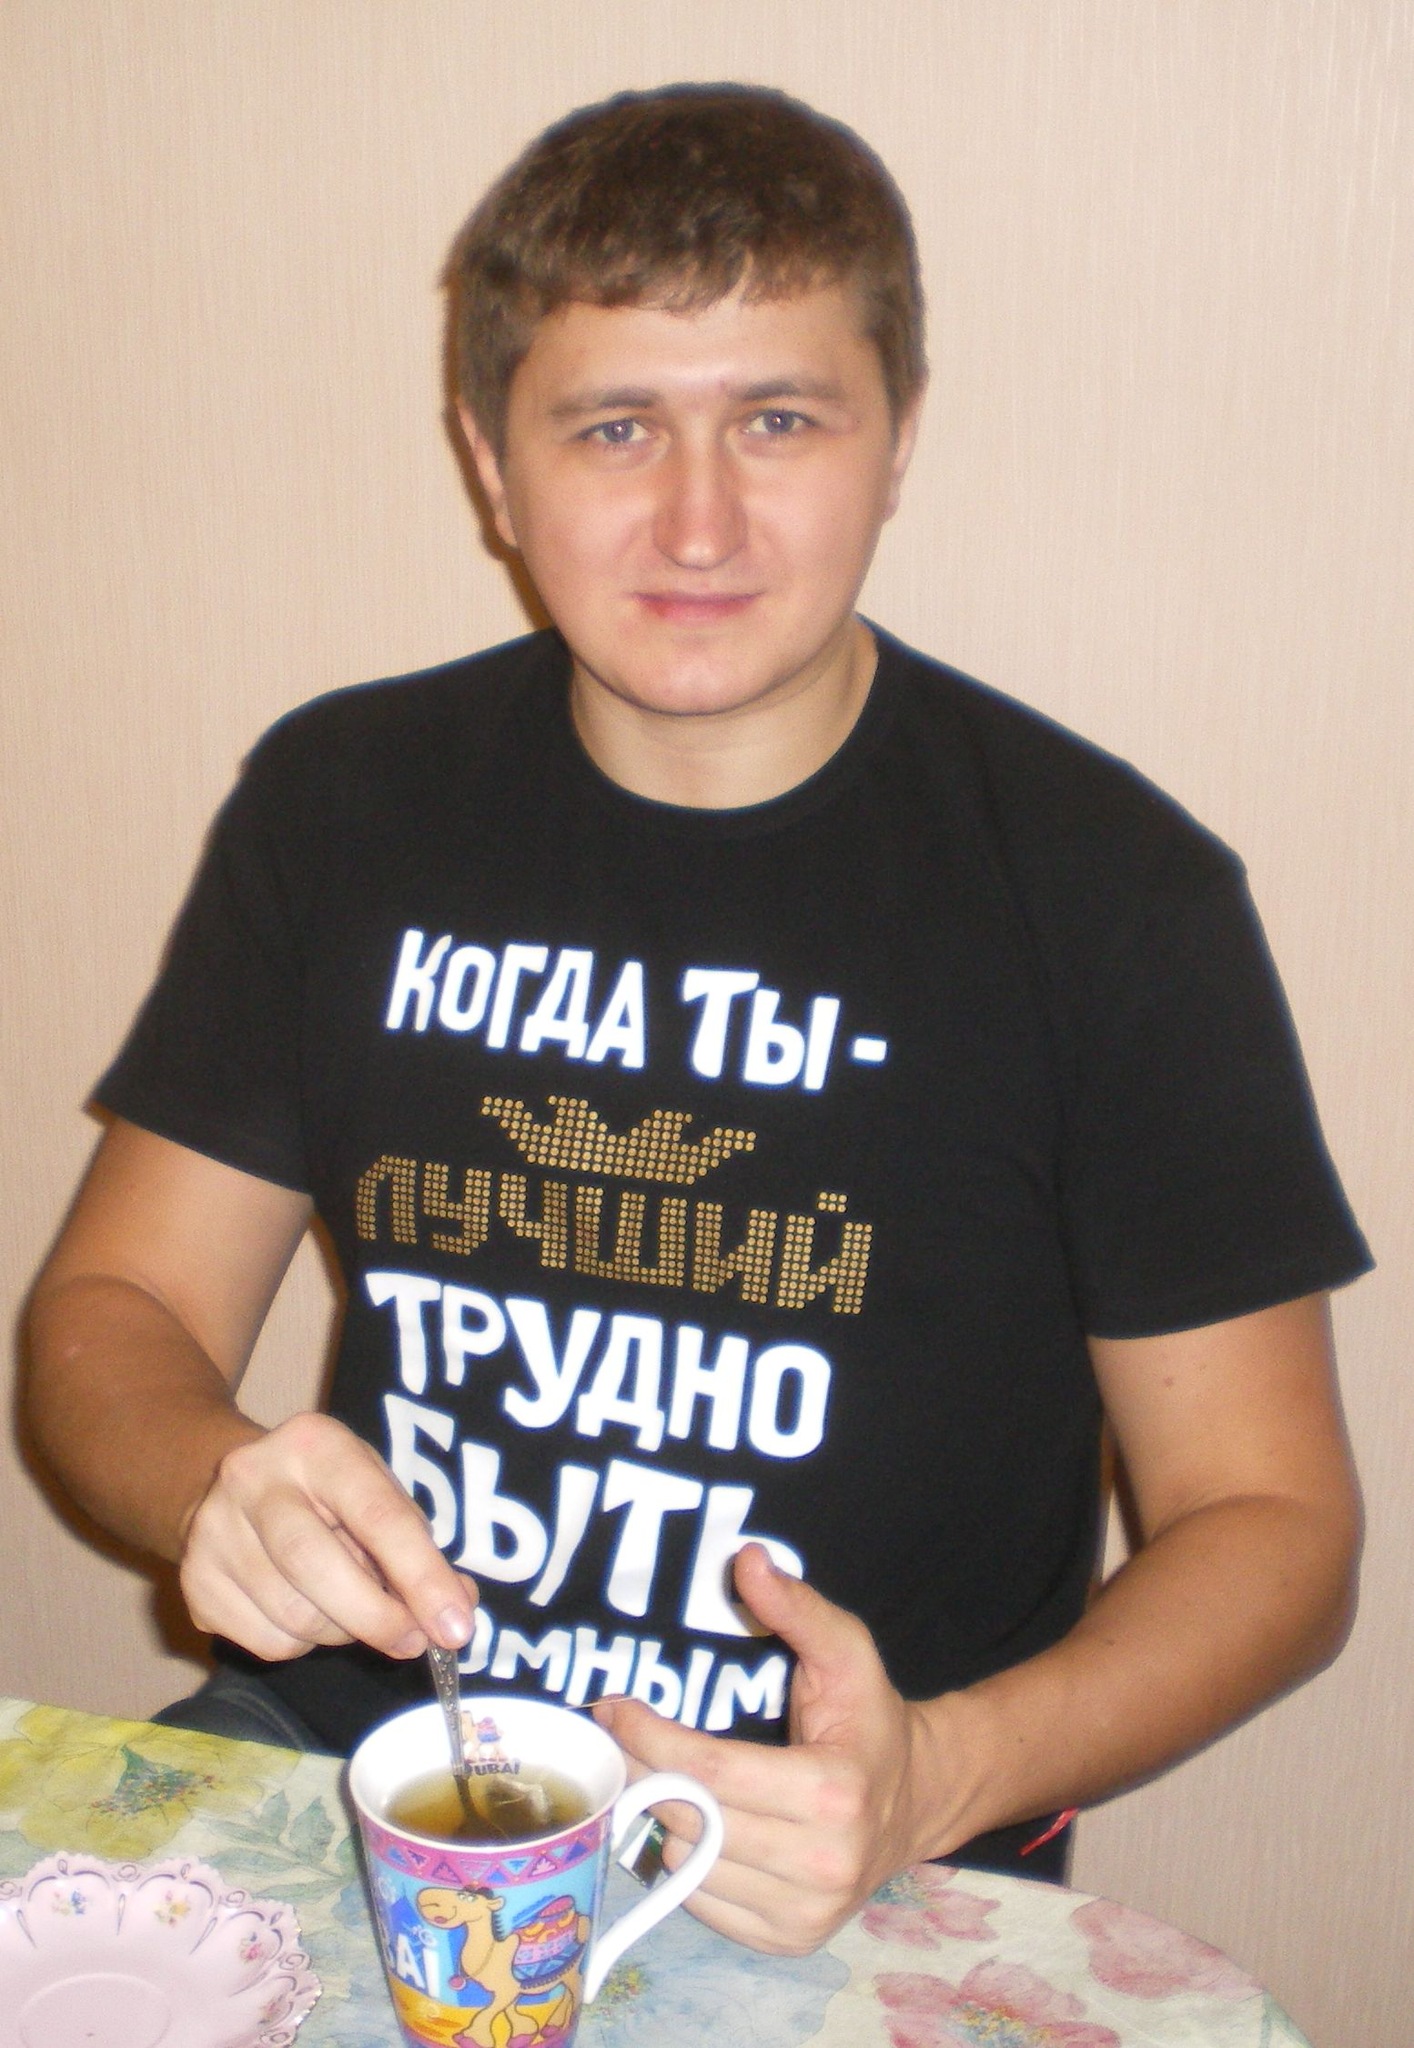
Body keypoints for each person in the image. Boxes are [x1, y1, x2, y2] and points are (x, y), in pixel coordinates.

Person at [25, 83, 1369, 1957]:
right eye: (613, 427)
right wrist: (212, 1484)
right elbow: (115, 1310)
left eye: (779, 419)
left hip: (842, 1858)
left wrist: (944, 1769)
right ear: (492, 465)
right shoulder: (343, 803)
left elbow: (1273, 1523)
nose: (699, 520)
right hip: (365, 1767)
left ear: (897, 438)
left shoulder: (1112, 895)